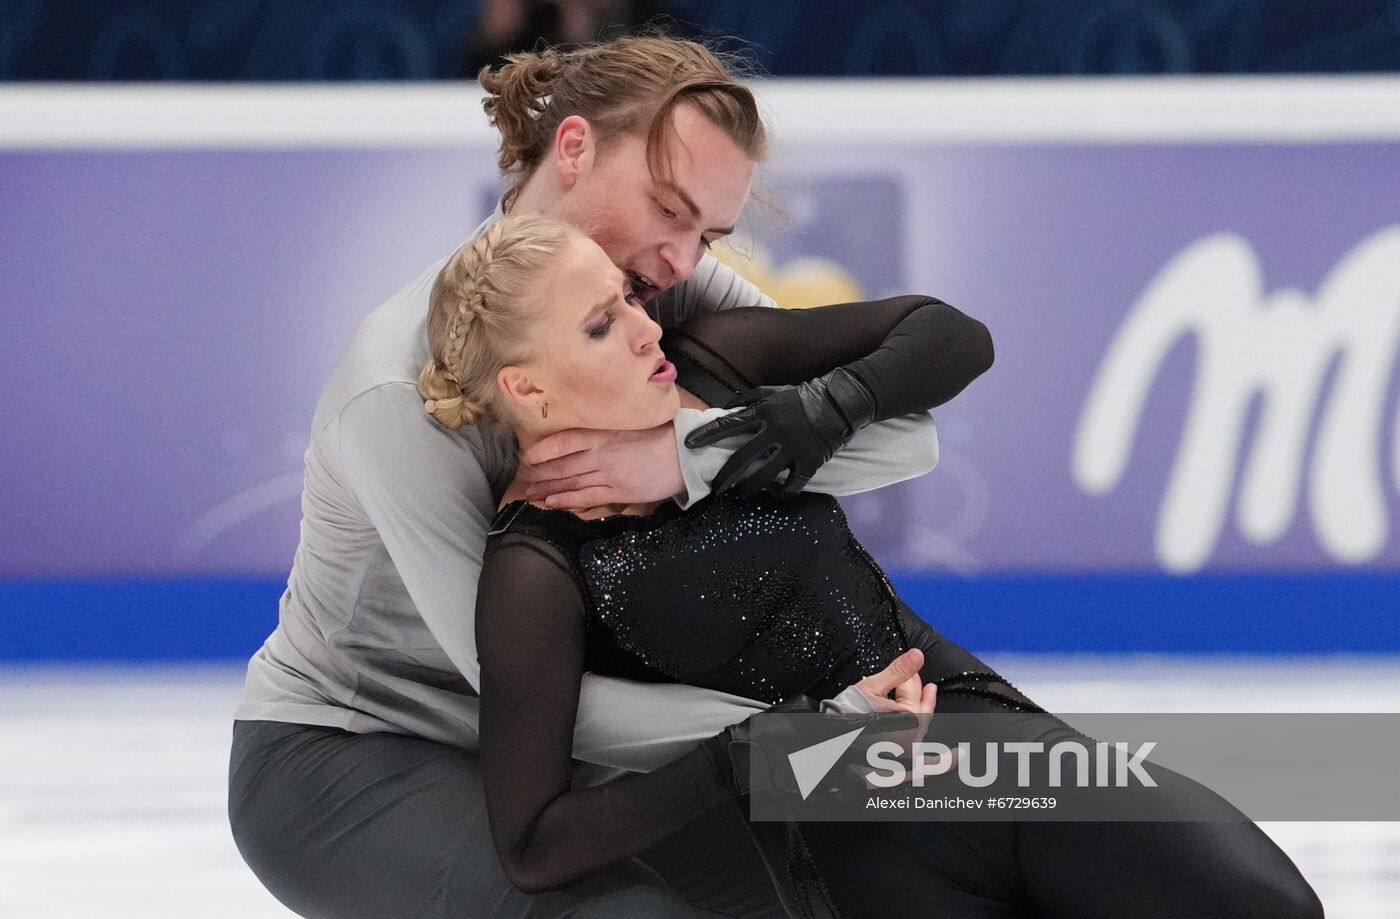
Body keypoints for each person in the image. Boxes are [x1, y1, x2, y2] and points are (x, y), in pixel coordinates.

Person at [229, 36, 961, 919]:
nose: (684, 259)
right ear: (572, 150)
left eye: (706, 233)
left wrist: (683, 453)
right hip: (351, 752)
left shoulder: (655, 292)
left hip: (569, 755)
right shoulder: (393, 392)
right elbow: (532, 698)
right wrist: (813, 736)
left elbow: (902, 442)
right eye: (665, 208)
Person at [441, 213, 1324, 918]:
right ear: (527, 389)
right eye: (602, 324)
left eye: (628, 297)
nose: (643, 327)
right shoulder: (536, 569)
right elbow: (535, 843)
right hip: (855, 847)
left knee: (1268, 904)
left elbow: (951, 336)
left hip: (994, 750)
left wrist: (806, 416)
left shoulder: (714, 371)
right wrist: (760, 752)